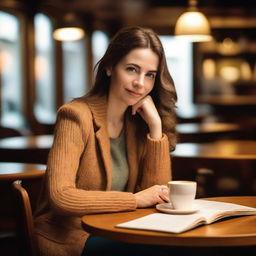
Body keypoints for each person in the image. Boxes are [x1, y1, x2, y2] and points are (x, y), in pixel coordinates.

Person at [34, 26, 177, 256]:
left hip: (118, 228)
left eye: (149, 74)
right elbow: (61, 196)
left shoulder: (136, 123)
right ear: (110, 67)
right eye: (132, 69)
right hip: (70, 234)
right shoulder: (74, 115)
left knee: (178, 246)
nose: (140, 83)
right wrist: (134, 200)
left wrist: (155, 128)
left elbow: (157, 197)